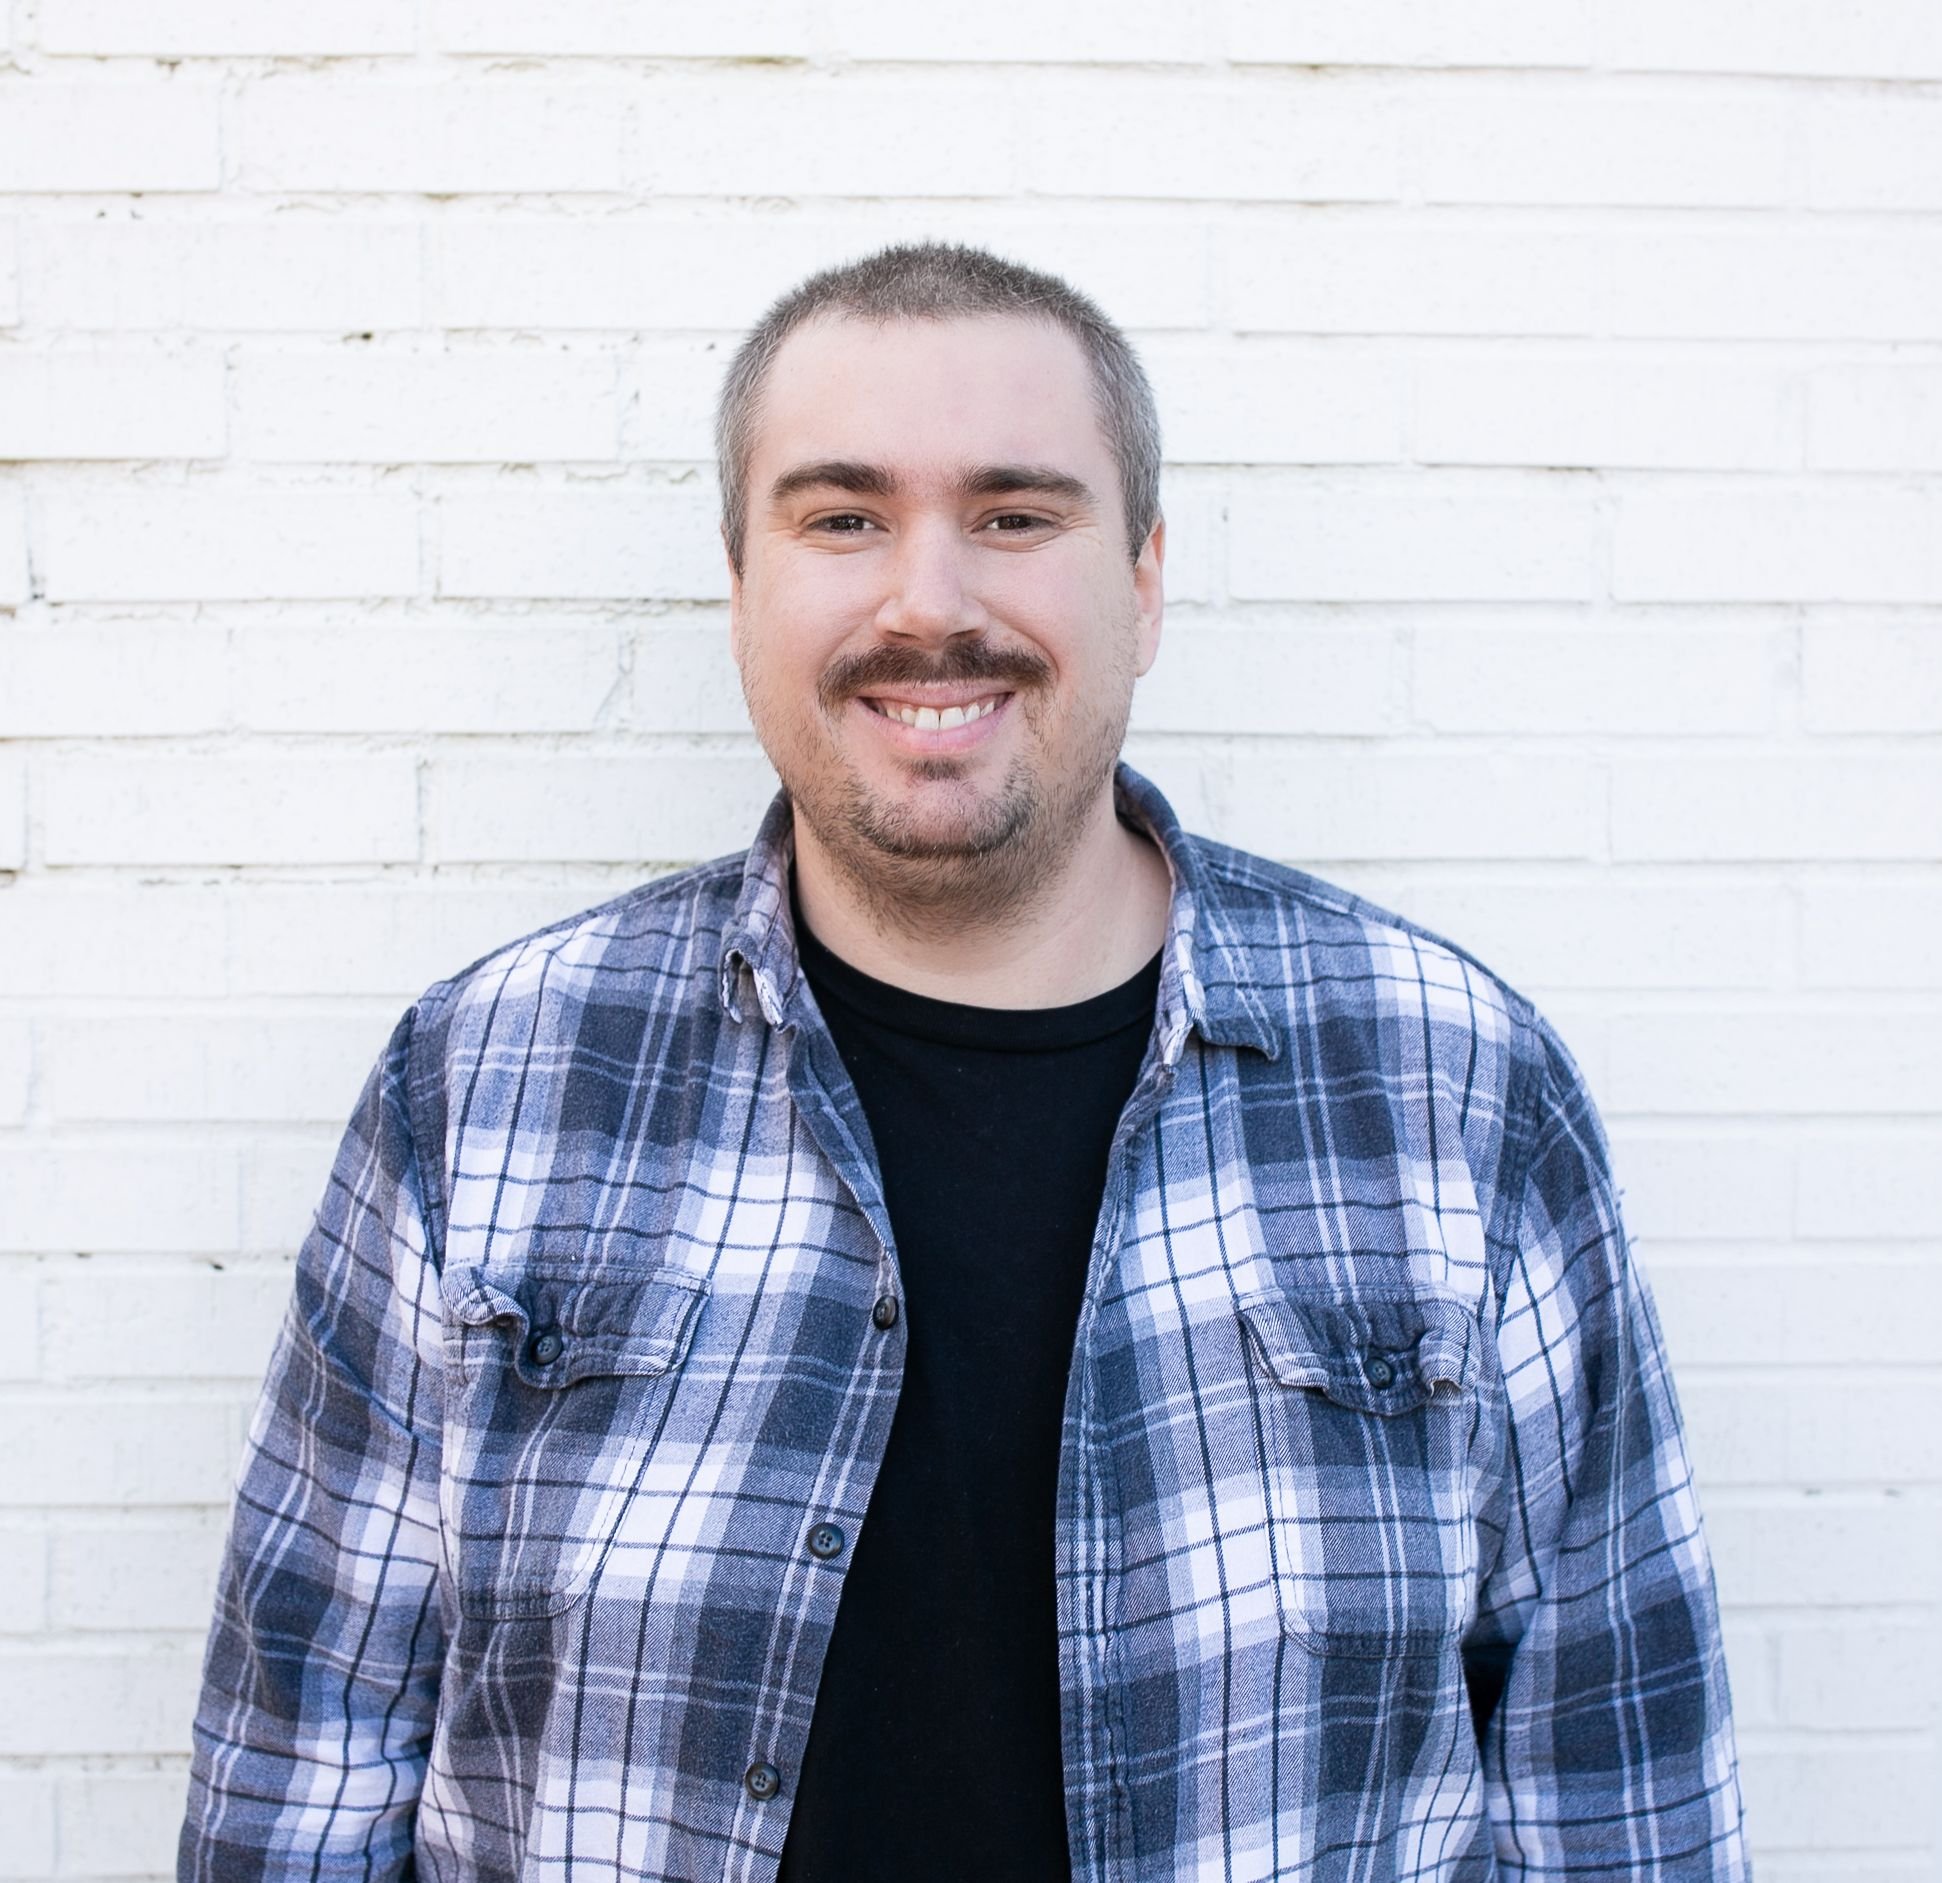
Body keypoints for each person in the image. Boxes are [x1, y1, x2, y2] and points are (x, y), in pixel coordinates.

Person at [180, 242, 1749, 1881]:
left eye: (1012, 516)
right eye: (841, 519)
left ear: (1142, 583)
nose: (927, 602)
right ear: (740, 586)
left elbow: (1610, 1776)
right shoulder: (488, 1082)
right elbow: (301, 1772)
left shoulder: (1449, 1088)